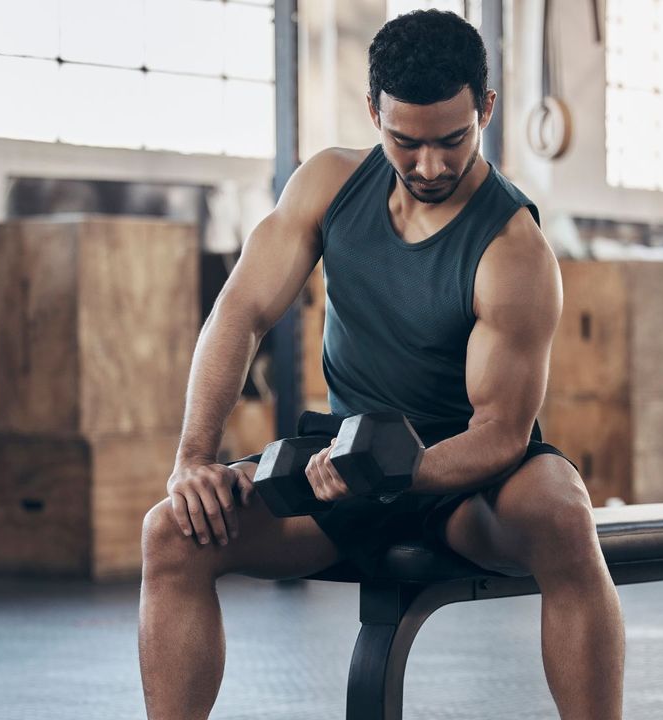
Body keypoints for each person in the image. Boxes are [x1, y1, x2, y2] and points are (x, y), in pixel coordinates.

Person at [139, 10, 623, 719]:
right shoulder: (329, 185)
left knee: (562, 513)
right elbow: (239, 314)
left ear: (485, 109)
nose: (430, 166)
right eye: (406, 141)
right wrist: (193, 456)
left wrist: (393, 470)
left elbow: (500, 433)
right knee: (172, 532)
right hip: (343, 467)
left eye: (452, 140)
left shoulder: (514, 250)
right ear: (373, 113)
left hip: (468, 485)